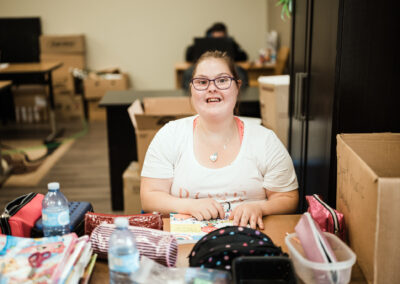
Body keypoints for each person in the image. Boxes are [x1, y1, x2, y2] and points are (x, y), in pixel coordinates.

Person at [141, 51, 298, 229]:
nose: (212, 88)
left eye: (222, 80)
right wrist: (190, 206)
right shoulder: (169, 135)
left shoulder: (265, 140)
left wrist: (260, 207)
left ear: (237, 87)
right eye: (202, 82)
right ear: (191, 89)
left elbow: (288, 197)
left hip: (249, 243)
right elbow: (150, 196)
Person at [182, 22, 249, 89]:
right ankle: (189, 97)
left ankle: (241, 97)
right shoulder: (203, 42)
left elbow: (244, 56)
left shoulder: (230, 43)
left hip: (226, 64)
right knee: (189, 72)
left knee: (240, 71)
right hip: (204, 65)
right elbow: (188, 56)